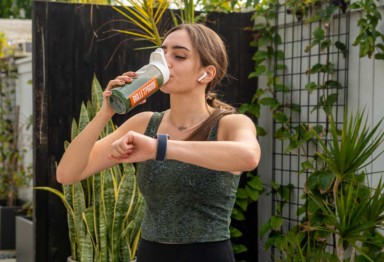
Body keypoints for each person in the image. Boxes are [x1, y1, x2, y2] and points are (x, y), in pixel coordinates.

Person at [56, 23, 261, 262]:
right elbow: (67, 174)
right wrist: (106, 112)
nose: (166, 61)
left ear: (207, 73)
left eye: (179, 56)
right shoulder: (145, 123)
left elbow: (248, 156)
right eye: (162, 53)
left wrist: (158, 148)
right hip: (150, 254)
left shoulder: (231, 124)